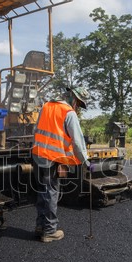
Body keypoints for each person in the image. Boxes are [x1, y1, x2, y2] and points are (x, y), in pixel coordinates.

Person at [32, 86, 92, 243]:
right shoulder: (68, 113)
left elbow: (36, 130)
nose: (78, 107)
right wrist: (86, 161)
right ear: (73, 97)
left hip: (38, 154)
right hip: (52, 158)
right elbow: (78, 142)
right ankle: (50, 231)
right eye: (78, 103)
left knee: (42, 192)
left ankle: (40, 226)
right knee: (51, 193)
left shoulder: (46, 106)